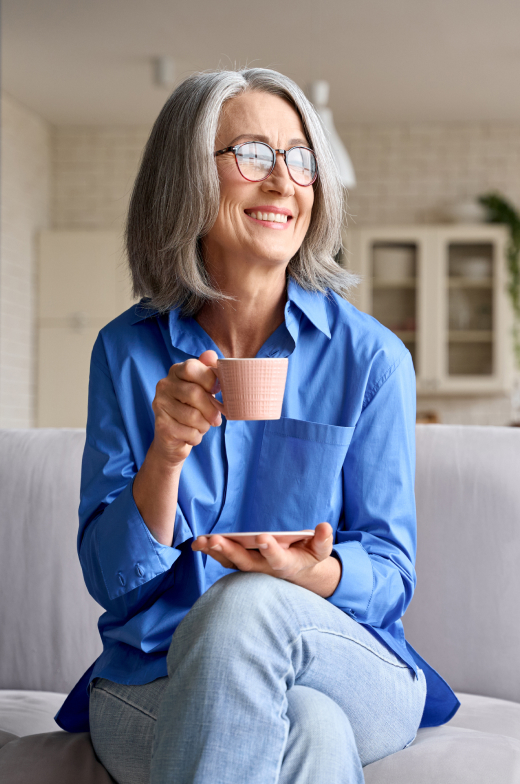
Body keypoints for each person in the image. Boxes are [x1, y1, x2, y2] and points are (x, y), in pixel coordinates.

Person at [55, 68, 459, 784]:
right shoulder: (127, 352)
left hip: (339, 658)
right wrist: (166, 456)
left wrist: (316, 573)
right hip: (154, 678)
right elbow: (111, 581)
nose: (283, 181)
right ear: (186, 179)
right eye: (252, 154)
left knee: (247, 610)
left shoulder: (371, 359)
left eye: (301, 158)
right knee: (309, 730)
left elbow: (392, 573)